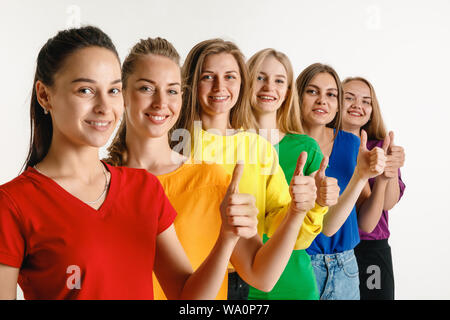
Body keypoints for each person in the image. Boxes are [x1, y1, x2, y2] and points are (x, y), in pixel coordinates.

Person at [0, 26, 248, 300]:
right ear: (45, 95)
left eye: (114, 90)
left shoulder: (144, 189)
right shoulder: (13, 204)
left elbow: (186, 298)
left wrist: (226, 238)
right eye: (85, 90)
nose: (105, 107)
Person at [105, 37, 321, 300]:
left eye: (172, 90)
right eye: (146, 88)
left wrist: (296, 213)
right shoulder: (96, 181)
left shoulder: (213, 179)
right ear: (121, 94)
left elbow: (261, 276)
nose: (161, 103)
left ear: (182, 97)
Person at [178, 39, 329, 300]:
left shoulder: (257, 148)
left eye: (230, 77)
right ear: (191, 83)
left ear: (241, 84)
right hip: (184, 278)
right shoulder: (177, 143)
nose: (220, 87)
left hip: (241, 282)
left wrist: (305, 207)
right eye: (207, 76)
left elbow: (287, 233)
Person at [246, 49, 340, 300]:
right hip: (239, 286)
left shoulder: (306, 148)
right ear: (246, 82)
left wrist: (320, 201)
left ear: (288, 92)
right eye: (260, 78)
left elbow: (310, 232)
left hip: (295, 284)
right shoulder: (227, 145)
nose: (269, 87)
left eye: (279, 80)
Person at [296, 63, 387, 300]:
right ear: (297, 97)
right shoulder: (281, 144)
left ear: (337, 105)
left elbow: (366, 224)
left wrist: (378, 176)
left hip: (345, 267)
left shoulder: (351, 144)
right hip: (298, 264)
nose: (322, 101)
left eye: (331, 95)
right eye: (312, 91)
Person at [341, 77, 405, 300]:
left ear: (372, 110)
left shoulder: (380, 147)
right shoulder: (321, 144)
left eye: (366, 101)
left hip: (371, 248)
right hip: (334, 247)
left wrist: (387, 176)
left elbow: (388, 204)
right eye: (349, 97)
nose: (357, 105)